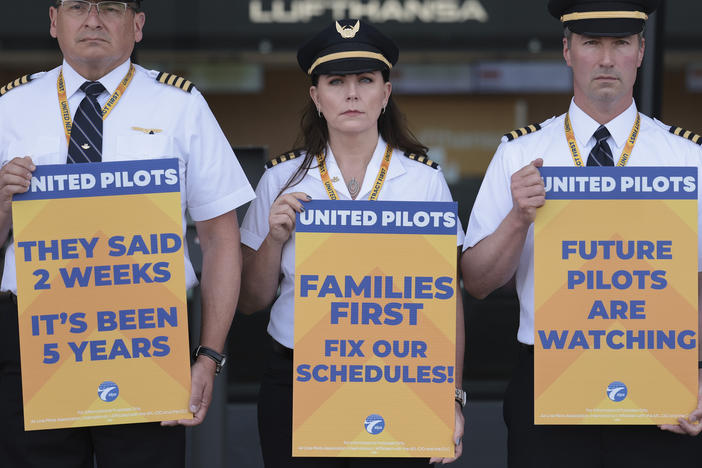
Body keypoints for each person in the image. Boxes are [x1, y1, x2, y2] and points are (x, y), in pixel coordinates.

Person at [0, 1, 255, 467]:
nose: (93, 19)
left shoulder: (180, 105)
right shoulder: (10, 107)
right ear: (54, 21)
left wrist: (208, 356)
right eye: (78, 6)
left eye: (111, 8)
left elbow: (221, 240)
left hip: (146, 339)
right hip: (35, 336)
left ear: (137, 25)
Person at [461, 0, 702, 466]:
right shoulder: (520, 153)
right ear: (567, 50)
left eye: (621, 43)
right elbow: (476, 281)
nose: (607, 59)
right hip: (549, 374)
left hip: (662, 373)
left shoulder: (687, 158)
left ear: (641, 51)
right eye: (592, 43)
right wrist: (517, 219)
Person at [238, 19, 465, 468]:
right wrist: (273, 238)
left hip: (401, 373)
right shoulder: (280, 179)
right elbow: (250, 300)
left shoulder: (423, 181)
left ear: (386, 92)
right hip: (299, 377)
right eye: (336, 81)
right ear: (315, 96)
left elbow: (446, 298)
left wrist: (452, 395)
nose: (352, 93)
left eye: (366, 80)